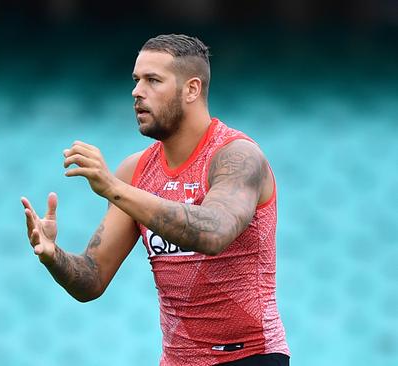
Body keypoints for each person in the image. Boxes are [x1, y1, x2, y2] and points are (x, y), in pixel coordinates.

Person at [21, 34, 290, 366]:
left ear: (191, 89)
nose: (136, 92)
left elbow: (213, 233)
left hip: (250, 357)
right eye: (136, 80)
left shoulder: (237, 157)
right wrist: (52, 255)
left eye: (152, 80)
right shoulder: (135, 171)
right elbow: (92, 278)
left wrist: (113, 188)